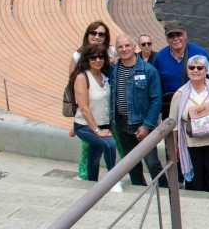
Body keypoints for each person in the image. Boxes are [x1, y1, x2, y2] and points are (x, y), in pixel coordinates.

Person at [109, 35, 164, 187]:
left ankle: (166, 191)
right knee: (131, 164)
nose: (124, 49)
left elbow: (156, 100)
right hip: (121, 124)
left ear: (134, 47)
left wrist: (146, 126)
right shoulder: (113, 70)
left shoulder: (149, 71)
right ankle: (138, 189)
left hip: (142, 125)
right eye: (120, 47)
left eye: (127, 46)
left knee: (153, 163)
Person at [168, 54, 209, 193]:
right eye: (191, 67)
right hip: (190, 144)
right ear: (187, 71)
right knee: (195, 183)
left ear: (206, 71)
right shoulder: (180, 94)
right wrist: (175, 146)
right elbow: (173, 122)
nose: (196, 70)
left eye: (200, 67)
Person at [69, 46, 121, 191]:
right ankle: (114, 180)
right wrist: (97, 130)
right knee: (109, 144)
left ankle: (92, 186)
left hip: (104, 124)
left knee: (94, 156)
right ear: (87, 59)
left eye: (101, 57)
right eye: (93, 57)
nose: (97, 60)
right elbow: (84, 108)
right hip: (85, 126)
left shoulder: (104, 76)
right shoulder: (82, 77)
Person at [70, 21, 116, 180]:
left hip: (105, 121)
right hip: (88, 123)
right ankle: (111, 181)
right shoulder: (81, 72)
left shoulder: (106, 68)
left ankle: (91, 183)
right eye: (93, 33)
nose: (97, 37)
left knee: (94, 156)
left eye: (101, 34)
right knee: (107, 145)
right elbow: (78, 98)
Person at [152, 21, 209, 121]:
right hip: (171, 107)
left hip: (197, 105)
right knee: (172, 135)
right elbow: (156, 85)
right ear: (166, 39)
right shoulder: (159, 57)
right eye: (171, 36)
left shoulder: (200, 53)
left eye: (178, 34)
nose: (175, 39)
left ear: (185, 35)